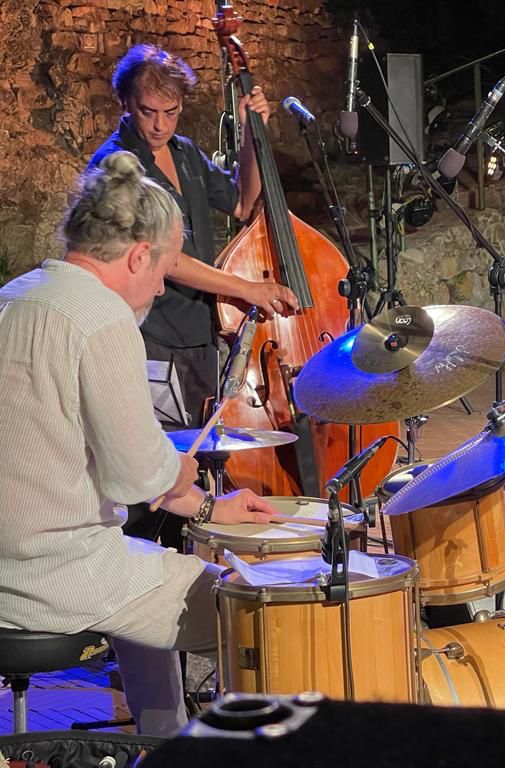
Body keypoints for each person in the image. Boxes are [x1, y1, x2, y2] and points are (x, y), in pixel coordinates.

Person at [0, 151, 278, 736]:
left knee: (147, 573)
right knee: (259, 607)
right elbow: (137, 477)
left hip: (16, 561)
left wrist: (206, 505)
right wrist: (178, 471)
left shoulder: (15, 295)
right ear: (137, 256)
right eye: (166, 267)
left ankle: (162, 739)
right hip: (50, 579)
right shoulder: (102, 319)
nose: (161, 283)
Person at [89, 44, 298, 544]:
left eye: (171, 112)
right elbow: (168, 258)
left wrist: (251, 134)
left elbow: (244, 203)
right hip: (155, 332)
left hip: (199, 330)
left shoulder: (184, 152)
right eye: (148, 112)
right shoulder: (117, 164)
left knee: (196, 459)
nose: (159, 124)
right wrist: (247, 289)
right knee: (156, 467)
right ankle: (145, 557)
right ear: (125, 104)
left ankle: (187, 557)